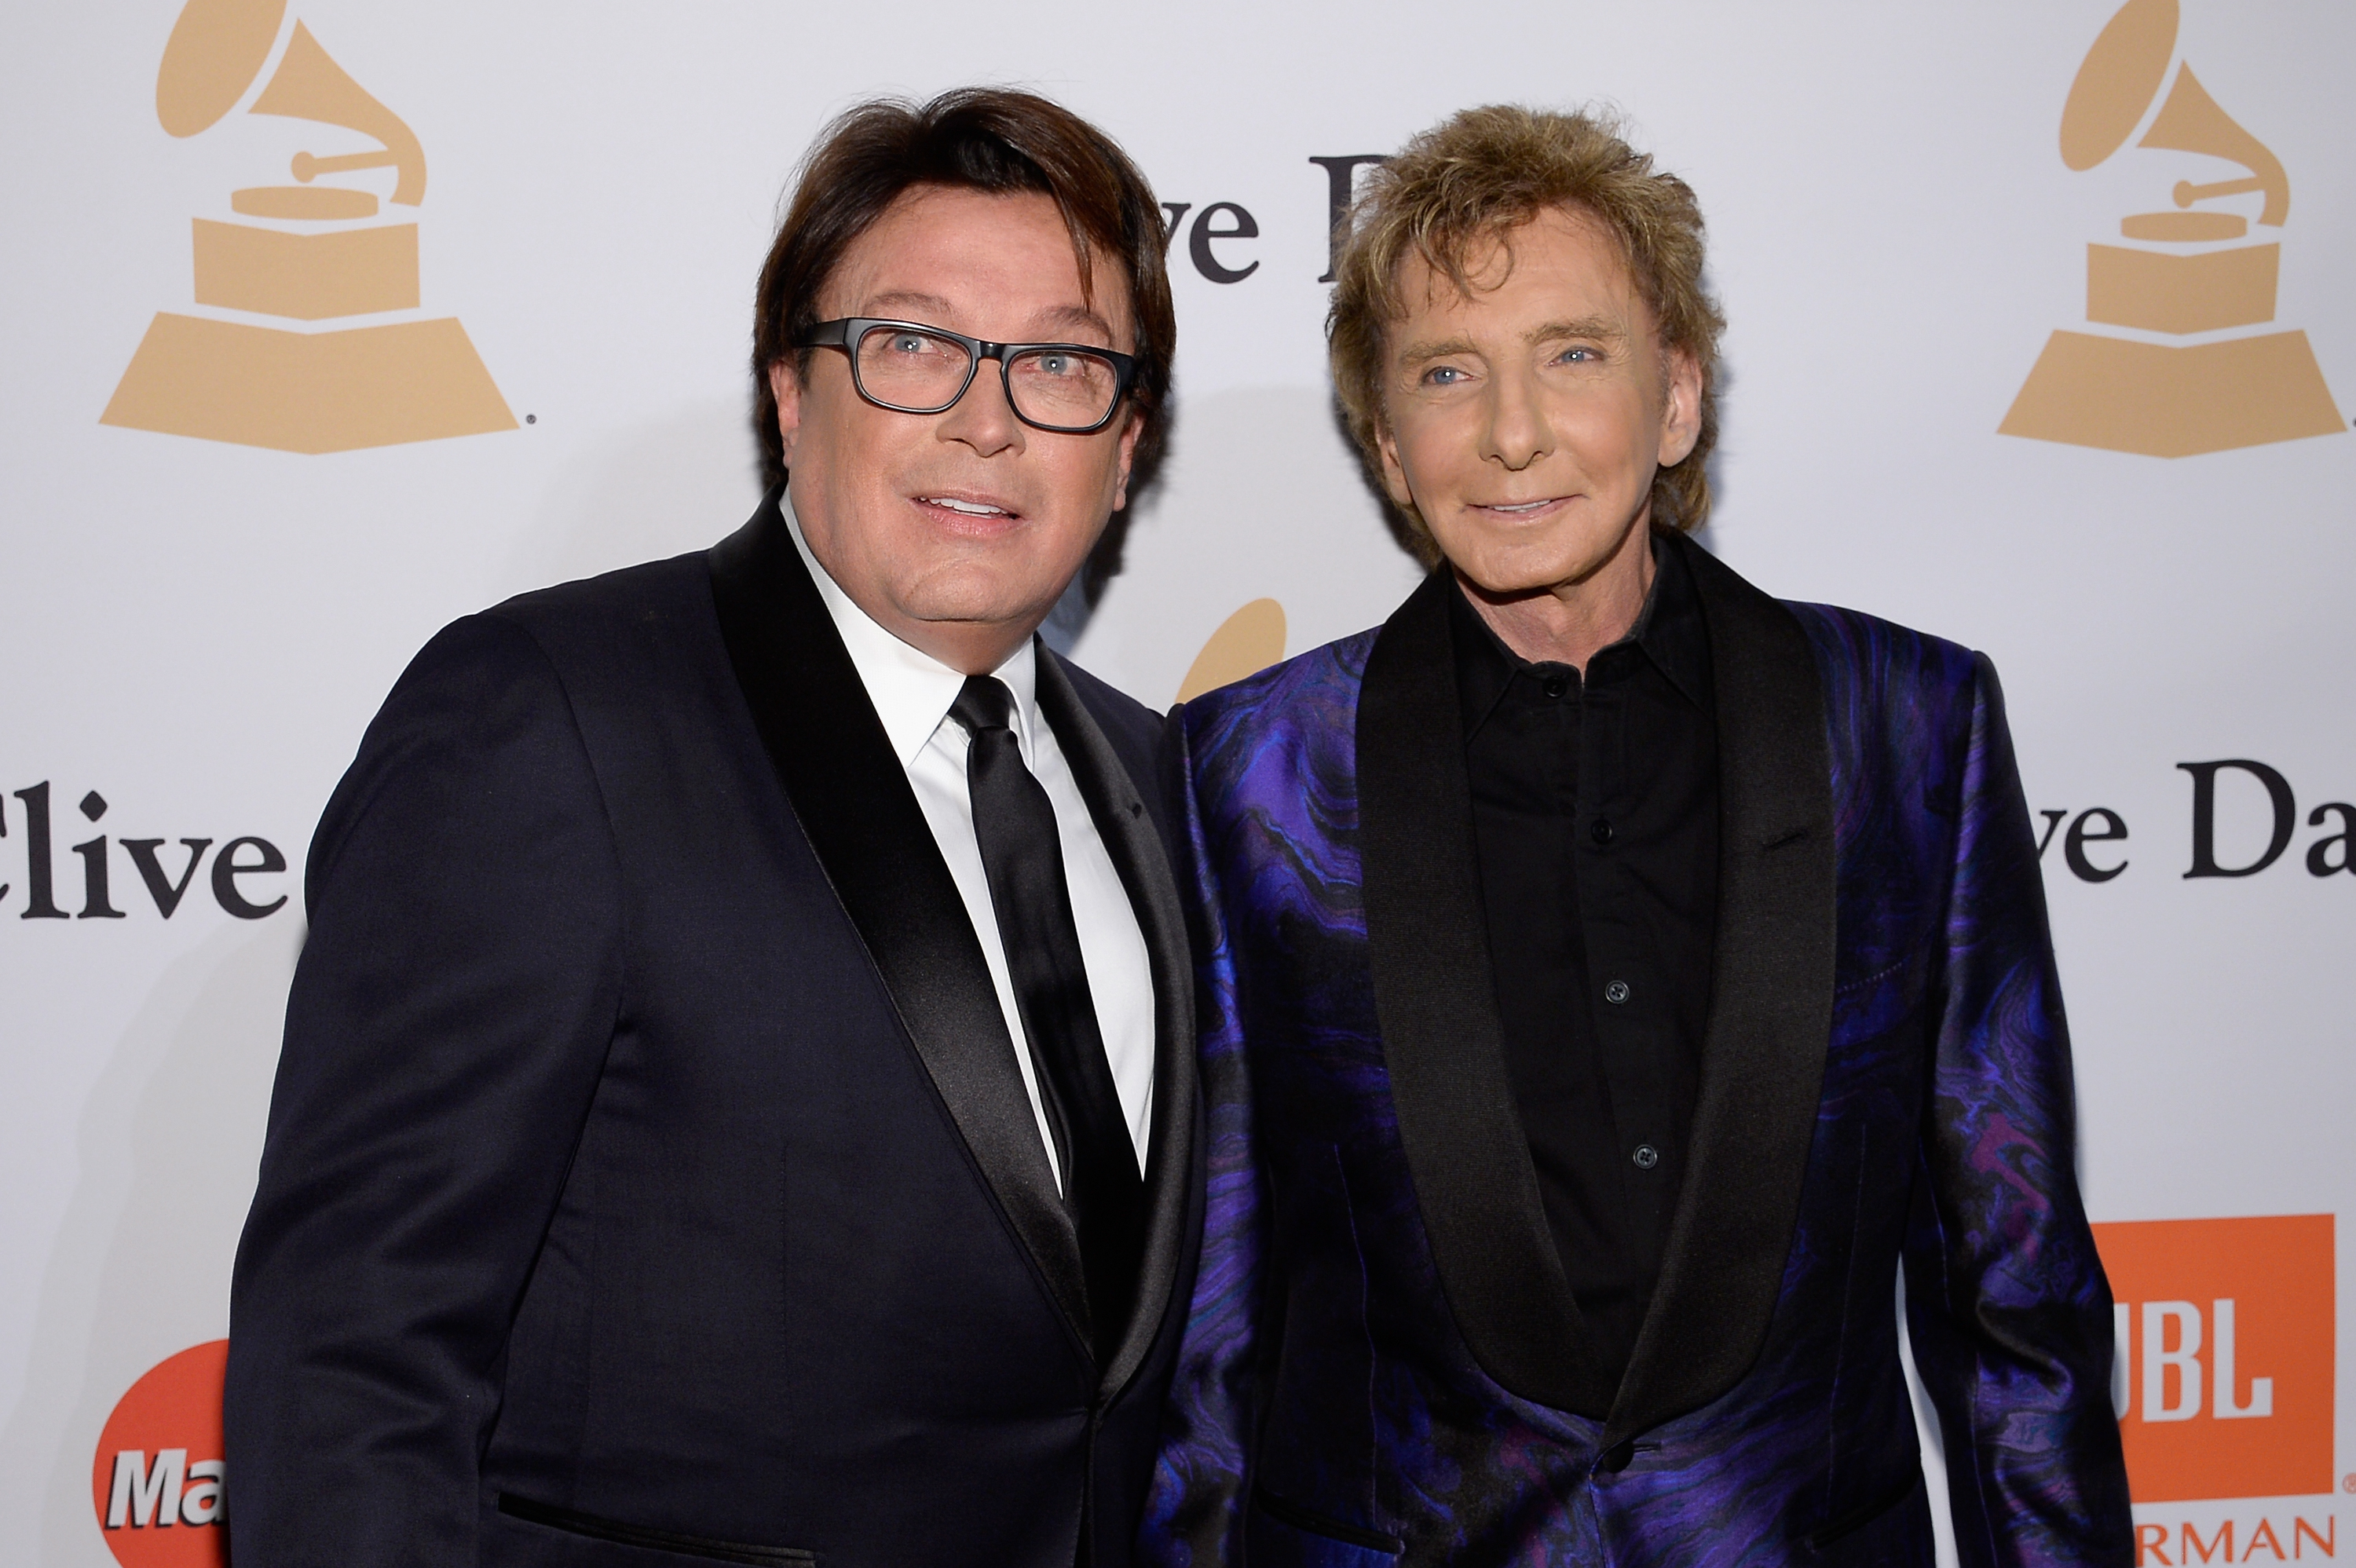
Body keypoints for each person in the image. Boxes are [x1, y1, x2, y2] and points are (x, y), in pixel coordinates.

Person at [1142, 106, 2132, 1565]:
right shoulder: (1249, 769)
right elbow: (1213, 1343)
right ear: (1388, 446)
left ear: (1677, 397)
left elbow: (2018, 1296)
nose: (1514, 431)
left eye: (1574, 354)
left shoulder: (1908, 729)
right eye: (1446, 372)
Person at [227, 88, 1201, 1568]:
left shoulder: (1163, 779)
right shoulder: (549, 719)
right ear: (792, 391)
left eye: (1061, 362)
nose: (987, 418)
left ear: (1124, 446)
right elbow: (355, 1360)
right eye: (915, 345)